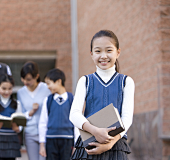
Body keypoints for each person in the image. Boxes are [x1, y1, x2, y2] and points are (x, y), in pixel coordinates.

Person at [69, 30, 135, 160]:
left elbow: (126, 118)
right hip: (89, 144)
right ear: (91, 54)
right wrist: (95, 131)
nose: (103, 56)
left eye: (109, 50)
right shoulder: (85, 81)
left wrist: (110, 143)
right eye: (98, 51)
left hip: (116, 145)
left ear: (118, 52)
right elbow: (74, 114)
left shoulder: (126, 82)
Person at [38, 68, 79, 160]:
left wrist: (77, 145)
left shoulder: (72, 100)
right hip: (51, 140)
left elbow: (77, 124)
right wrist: (42, 144)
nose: (47, 87)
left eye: (49, 83)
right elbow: (43, 123)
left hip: (68, 140)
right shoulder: (48, 100)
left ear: (58, 81)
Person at [17, 61, 51, 160]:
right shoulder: (20, 92)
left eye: (28, 79)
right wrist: (30, 112)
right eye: (23, 79)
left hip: (46, 132)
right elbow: (21, 114)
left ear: (37, 76)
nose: (25, 82)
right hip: (29, 133)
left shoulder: (47, 88)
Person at [0, 74, 22, 160]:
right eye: (4, 88)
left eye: (10, 89)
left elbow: (20, 123)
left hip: (11, 140)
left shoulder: (17, 104)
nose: (7, 92)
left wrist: (18, 128)